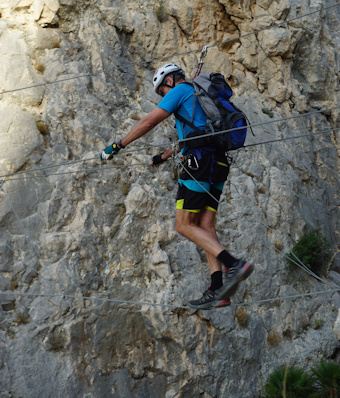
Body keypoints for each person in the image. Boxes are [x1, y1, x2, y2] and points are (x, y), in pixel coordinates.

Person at [101, 63, 253, 309]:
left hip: (198, 164)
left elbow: (149, 122)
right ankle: (217, 290)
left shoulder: (179, 91)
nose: (163, 96)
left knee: (183, 225)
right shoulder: (198, 95)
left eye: (161, 91)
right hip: (219, 163)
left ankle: (234, 264)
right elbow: (192, 136)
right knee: (204, 226)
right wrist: (162, 157)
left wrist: (119, 145)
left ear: (169, 81)